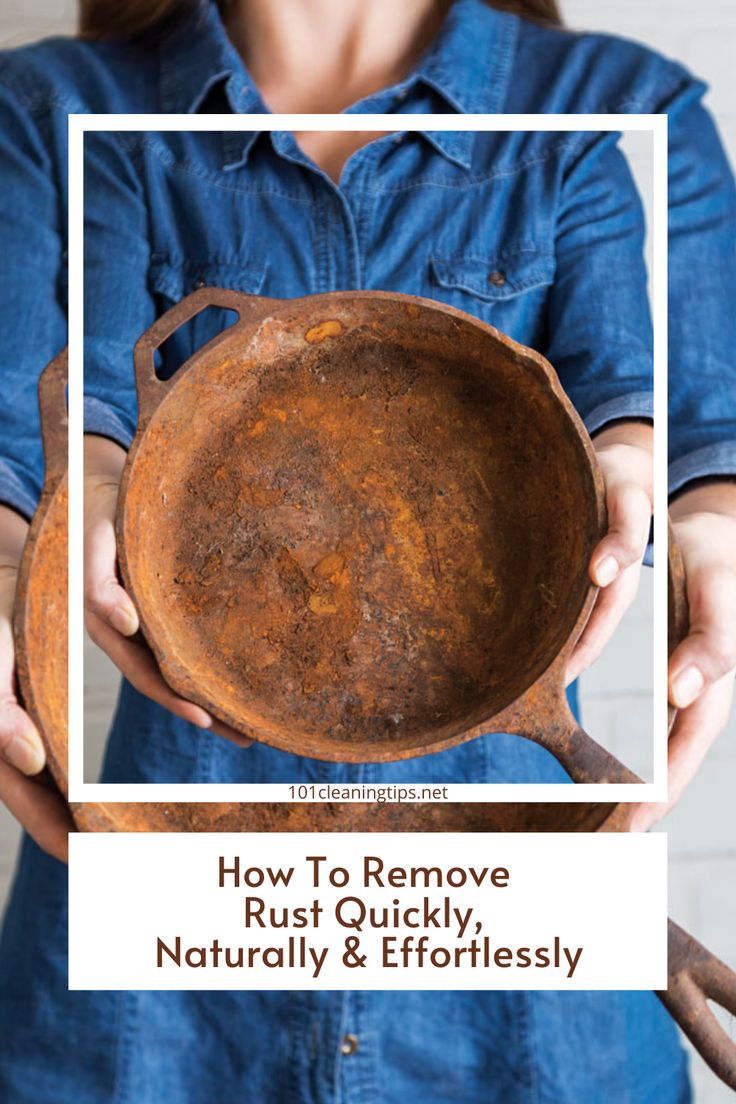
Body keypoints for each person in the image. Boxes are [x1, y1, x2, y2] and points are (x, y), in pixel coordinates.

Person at [0, 1, 733, 1100]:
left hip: (519, 950)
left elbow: (693, 435)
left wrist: (700, 530)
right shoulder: (51, 110)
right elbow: (35, 441)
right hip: (162, 948)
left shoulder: (619, 111)